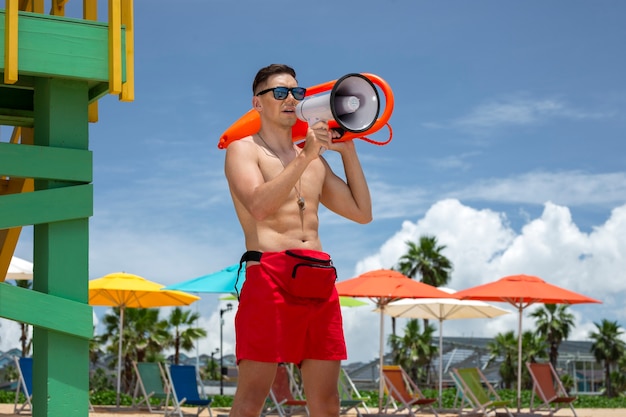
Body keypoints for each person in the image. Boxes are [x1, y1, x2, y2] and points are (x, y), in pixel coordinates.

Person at [224, 64, 372, 417]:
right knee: (251, 400)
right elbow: (259, 206)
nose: (290, 99)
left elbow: (361, 212)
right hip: (269, 275)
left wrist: (348, 152)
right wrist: (306, 155)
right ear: (257, 103)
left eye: (296, 92)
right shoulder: (244, 150)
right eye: (279, 92)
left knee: (327, 403)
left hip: (319, 278)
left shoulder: (316, 162)